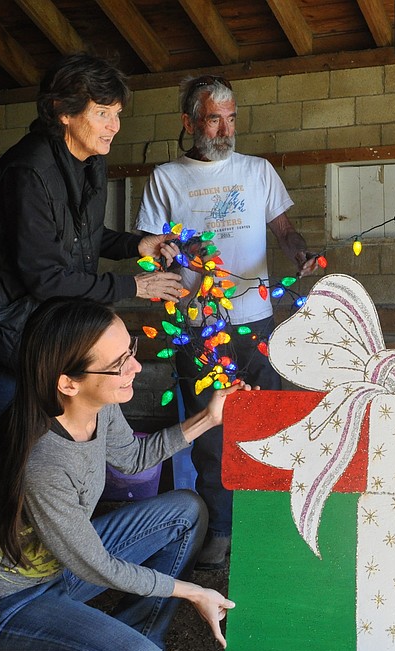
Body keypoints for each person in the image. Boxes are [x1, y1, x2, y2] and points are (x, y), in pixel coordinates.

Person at [0, 298, 244, 651]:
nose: (136, 368)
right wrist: (193, 591)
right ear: (68, 382)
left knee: (186, 511)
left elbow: (134, 457)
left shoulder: (98, 406)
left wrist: (208, 418)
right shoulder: (42, 460)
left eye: (130, 350)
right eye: (119, 363)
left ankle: (137, 639)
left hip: (55, 569)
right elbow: (97, 567)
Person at [0, 52, 184, 437]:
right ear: (63, 112)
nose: (114, 126)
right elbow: (46, 276)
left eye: (117, 114)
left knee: (44, 451)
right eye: (103, 113)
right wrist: (133, 286)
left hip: (41, 332)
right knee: (9, 453)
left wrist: (137, 245)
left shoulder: (88, 159)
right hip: (0, 331)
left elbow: (80, 235)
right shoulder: (28, 171)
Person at [135, 74, 319, 570]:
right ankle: (220, 529)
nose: (224, 130)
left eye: (231, 118)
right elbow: (149, 255)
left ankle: (270, 524)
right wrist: (172, 263)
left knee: (267, 422)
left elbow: (284, 230)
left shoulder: (257, 170)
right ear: (189, 122)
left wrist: (299, 253)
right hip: (197, 329)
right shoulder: (166, 179)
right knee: (210, 431)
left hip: (256, 321)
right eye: (214, 119)